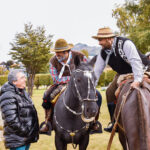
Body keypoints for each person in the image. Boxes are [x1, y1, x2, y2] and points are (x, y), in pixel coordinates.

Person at [92, 27, 149, 132]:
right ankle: (114, 123)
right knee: (109, 91)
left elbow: (136, 62)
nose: (99, 43)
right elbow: (97, 72)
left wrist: (137, 80)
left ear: (109, 38)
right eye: (98, 40)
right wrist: (92, 87)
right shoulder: (102, 53)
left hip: (142, 70)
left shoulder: (125, 44)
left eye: (100, 40)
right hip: (123, 74)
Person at [39, 39, 102, 134]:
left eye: (59, 53)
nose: (56, 55)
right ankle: (48, 122)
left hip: (81, 83)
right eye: (56, 53)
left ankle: (93, 122)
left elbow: (88, 69)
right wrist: (72, 79)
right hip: (61, 84)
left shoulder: (80, 56)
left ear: (66, 52)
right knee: (47, 96)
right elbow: (56, 79)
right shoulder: (52, 61)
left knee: (98, 95)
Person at [0, 69, 39, 150]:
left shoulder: (22, 92)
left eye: (24, 77)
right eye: (22, 78)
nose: (25, 79)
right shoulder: (8, 95)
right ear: (14, 82)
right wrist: (26, 131)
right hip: (17, 139)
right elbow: (11, 120)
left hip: (25, 138)